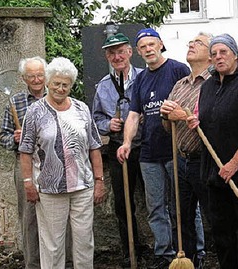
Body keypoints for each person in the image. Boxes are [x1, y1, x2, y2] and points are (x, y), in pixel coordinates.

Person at [187, 33, 238, 269]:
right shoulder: (207, 87)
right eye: (214, 54)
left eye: (223, 52)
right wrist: (194, 121)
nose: (218, 57)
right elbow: (199, 116)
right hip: (215, 175)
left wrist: (234, 163)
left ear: (235, 54)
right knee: (222, 234)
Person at [19, 57, 105, 269]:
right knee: (53, 245)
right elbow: (25, 150)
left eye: (65, 84)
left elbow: (94, 146)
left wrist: (99, 180)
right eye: (56, 83)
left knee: (84, 242)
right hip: (49, 189)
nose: (60, 88)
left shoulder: (81, 109)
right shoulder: (35, 111)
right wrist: (28, 182)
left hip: (82, 187)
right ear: (48, 82)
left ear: (71, 85)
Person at [116, 28, 190, 269]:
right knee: (155, 207)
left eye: (151, 44)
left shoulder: (178, 70)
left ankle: (190, 252)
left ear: (160, 45)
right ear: (138, 52)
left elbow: (190, 103)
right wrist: (127, 143)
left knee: (184, 206)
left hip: (175, 150)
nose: (148, 49)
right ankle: (164, 255)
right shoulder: (141, 80)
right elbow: (134, 115)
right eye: (143, 47)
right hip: (149, 153)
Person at [92, 32, 146, 268]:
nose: (117, 56)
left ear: (130, 52)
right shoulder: (103, 86)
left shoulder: (145, 78)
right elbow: (95, 118)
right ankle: (131, 250)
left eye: (121, 51)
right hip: (118, 149)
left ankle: (167, 249)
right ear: (107, 56)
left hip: (146, 146)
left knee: (157, 199)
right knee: (123, 204)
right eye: (112, 53)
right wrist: (107, 124)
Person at [159, 32, 213, 268]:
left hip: (205, 160)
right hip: (181, 159)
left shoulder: (214, 83)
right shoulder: (180, 84)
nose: (191, 45)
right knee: (181, 218)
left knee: (213, 216)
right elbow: (169, 126)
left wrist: (185, 115)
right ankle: (189, 263)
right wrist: (166, 115)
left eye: (198, 43)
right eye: (190, 42)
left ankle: (215, 260)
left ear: (211, 55)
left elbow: (213, 120)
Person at [0, 56, 47, 269]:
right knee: (29, 217)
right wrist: (15, 139)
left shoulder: (55, 98)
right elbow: (3, 137)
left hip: (52, 164)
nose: (36, 80)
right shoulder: (15, 102)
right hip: (26, 165)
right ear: (23, 78)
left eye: (40, 75)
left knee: (58, 214)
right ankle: (33, 264)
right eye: (31, 76)